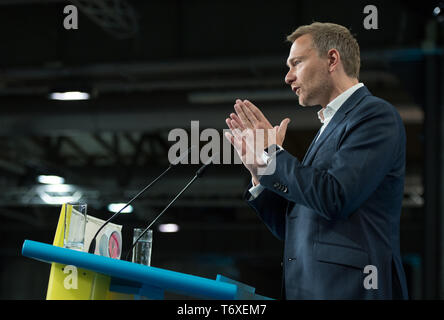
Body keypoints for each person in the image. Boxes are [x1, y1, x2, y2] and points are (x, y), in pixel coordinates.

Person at [224, 22, 409, 299]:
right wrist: (259, 173)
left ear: (332, 59)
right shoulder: (329, 126)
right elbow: (296, 225)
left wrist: (272, 154)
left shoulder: (374, 115)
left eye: (296, 63)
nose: (288, 77)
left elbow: (334, 196)